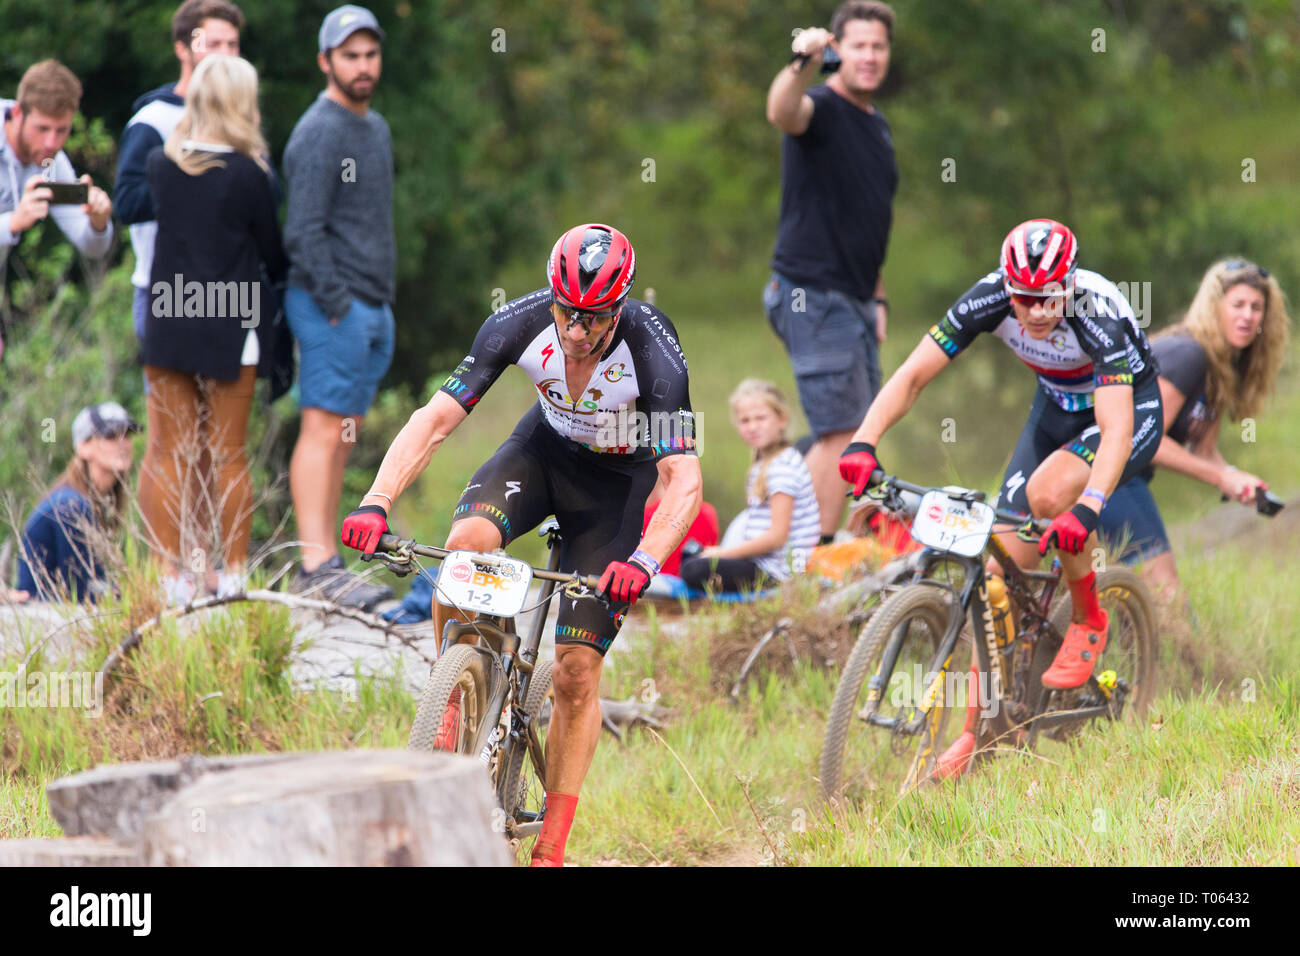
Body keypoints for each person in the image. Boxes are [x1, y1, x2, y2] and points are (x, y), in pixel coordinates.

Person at [340, 224, 702, 866]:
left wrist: (644, 561)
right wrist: (377, 500)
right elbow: (435, 420)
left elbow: (683, 480)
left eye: (592, 320)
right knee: (466, 543)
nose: (574, 332)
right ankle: (457, 695)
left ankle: (552, 848)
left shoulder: (655, 348)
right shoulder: (518, 321)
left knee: (575, 670)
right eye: (566, 312)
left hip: (616, 490)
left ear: (618, 309)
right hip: (541, 456)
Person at [838, 219, 1164, 778]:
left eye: (1048, 297)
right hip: (1056, 409)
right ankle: (978, 732)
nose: (1036, 311)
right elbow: (914, 375)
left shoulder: (1098, 312)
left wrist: (1085, 508)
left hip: (1126, 414)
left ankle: (1089, 617)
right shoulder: (989, 298)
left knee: (1048, 492)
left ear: (1070, 282)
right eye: (1024, 298)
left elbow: (1113, 430)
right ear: (1007, 287)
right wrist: (864, 440)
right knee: (995, 576)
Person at [135, 55, 288, 604]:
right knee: (227, 455)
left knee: (170, 451)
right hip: (232, 321)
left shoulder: (159, 164)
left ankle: (167, 575)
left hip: (170, 318)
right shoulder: (251, 175)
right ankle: (236, 573)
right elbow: (273, 254)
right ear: (241, 103)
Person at [764, 1, 897, 542]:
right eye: (859, 45)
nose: (870, 56)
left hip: (855, 299)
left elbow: (867, 222)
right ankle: (812, 558)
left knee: (862, 428)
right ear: (839, 50)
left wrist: (878, 297)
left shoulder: (876, 126)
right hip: (811, 295)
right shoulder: (817, 106)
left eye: (879, 46)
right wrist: (802, 60)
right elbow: (780, 110)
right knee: (842, 431)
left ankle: (830, 545)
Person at [284, 4, 395, 609]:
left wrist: (379, 302)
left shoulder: (374, 128)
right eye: (349, 55)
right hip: (332, 305)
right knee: (323, 428)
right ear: (326, 61)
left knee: (345, 432)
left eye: (370, 54)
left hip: (374, 304)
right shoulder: (320, 131)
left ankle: (332, 561)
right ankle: (314, 563)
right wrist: (336, 302)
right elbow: (301, 230)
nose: (362, 66)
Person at [1098, 258, 1291, 605]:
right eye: (1238, 305)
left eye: (1256, 307)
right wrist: (1220, 480)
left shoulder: (1221, 369)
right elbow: (1145, 440)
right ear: (1214, 308)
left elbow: (1202, 451)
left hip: (1127, 479)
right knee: (1167, 593)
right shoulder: (1186, 354)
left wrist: (1234, 476)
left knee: (1138, 599)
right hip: (1105, 473)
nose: (1247, 315)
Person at [115, 0, 246, 347]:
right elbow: (126, 203)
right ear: (182, 48)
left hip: (231, 295)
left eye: (232, 45)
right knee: (170, 405)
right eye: (213, 44)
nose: (225, 56)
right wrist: (189, 178)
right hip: (168, 294)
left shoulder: (244, 123)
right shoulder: (153, 120)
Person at [680, 380, 819, 595]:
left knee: (694, 569)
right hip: (763, 563)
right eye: (745, 421)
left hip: (776, 572)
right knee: (692, 555)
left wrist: (724, 553)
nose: (752, 427)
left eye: (760, 418)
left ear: (781, 419)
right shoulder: (764, 463)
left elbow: (777, 536)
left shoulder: (783, 466)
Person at [15, 402, 139, 603]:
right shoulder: (71, 506)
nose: (122, 443)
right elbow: (80, 591)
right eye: (110, 436)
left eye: (128, 435)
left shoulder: (87, 502)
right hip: (43, 622)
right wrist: (141, 595)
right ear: (83, 447)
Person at [1, 60, 113, 265]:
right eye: (42, 129)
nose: (51, 143)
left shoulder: (51, 162)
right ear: (17, 114)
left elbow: (92, 248)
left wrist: (98, 222)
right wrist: (13, 222)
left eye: (62, 130)